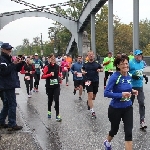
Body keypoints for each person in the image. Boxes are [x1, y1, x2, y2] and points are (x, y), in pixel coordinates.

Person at [104, 55, 138, 150]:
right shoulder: (115, 77)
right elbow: (106, 93)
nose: (125, 66)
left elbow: (128, 87)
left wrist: (132, 91)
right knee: (114, 130)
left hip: (128, 107)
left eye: (126, 63)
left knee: (128, 133)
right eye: (122, 64)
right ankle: (107, 141)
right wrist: (121, 95)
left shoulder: (130, 76)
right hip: (115, 108)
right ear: (118, 66)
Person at [0, 43, 24, 131]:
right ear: (2, 49)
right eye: (7, 49)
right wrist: (13, 64)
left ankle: (1, 121)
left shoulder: (8, 58)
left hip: (9, 84)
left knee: (7, 104)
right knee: (12, 104)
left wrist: (20, 63)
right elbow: (4, 72)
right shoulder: (2, 59)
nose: (10, 50)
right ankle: (12, 124)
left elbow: (15, 69)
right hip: (7, 85)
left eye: (10, 48)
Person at [129, 49, 147, 129]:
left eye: (141, 55)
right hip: (131, 86)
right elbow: (125, 71)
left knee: (142, 103)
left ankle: (142, 121)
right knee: (129, 104)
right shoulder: (130, 62)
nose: (140, 56)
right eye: (138, 55)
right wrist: (132, 76)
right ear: (135, 56)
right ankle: (126, 119)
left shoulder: (142, 62)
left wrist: (144, 76)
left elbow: (141, 72)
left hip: (139, 86)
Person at [41, 53, 62, 122]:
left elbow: (59, 74)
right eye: (51, 58)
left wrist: (60, 77)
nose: (53, 60)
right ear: (49, 59)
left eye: (54, 58)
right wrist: (49, 75)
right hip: (49, 86)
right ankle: (49, 111)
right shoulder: (47, 67)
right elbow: (42, 76)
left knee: (57, 99)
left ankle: (57, 115)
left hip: (56, 86)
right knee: (50, 100)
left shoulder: (57, 66)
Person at [82, 50, 103, 118]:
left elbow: (102, 68)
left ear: (93, 55)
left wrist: (100, 70)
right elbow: (82, 69)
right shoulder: (85, 63)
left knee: (93, 97)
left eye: (92, 54)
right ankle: (92, 111)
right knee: (90, 95)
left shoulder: (97, 63)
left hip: (95, 81)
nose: (91, 55)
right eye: (89, 54)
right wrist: (83, 72)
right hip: (88, 81)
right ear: (87, 56)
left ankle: (88, 102)